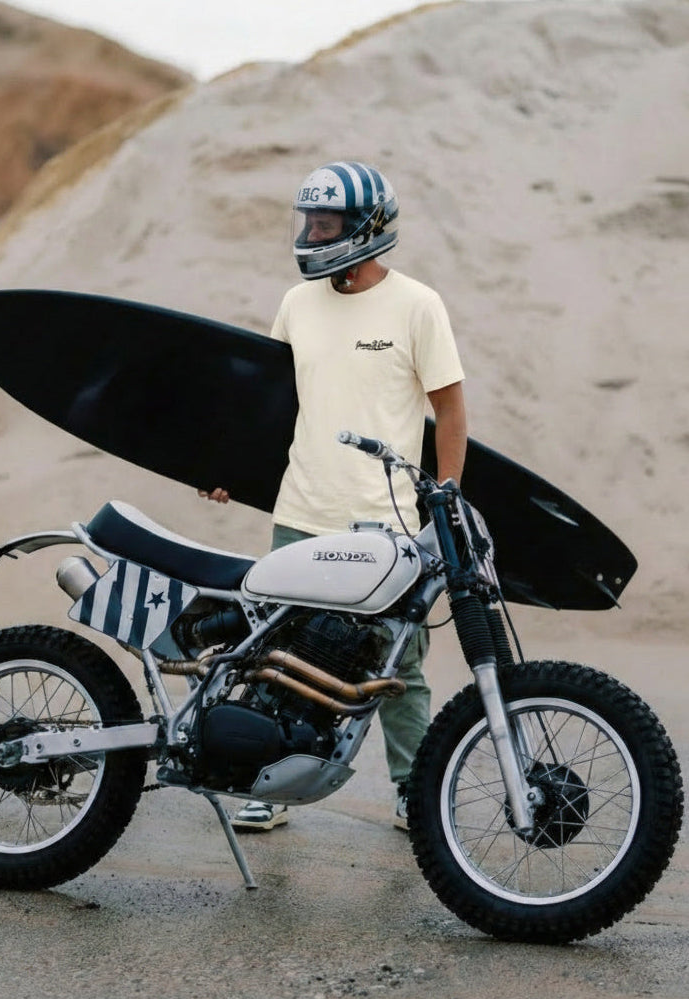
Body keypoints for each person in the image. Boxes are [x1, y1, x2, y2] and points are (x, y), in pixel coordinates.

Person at [200, 160, 467, 832]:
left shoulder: (417, 305)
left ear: (366, 227)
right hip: (300, 512)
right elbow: (273, 404)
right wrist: (236, 467)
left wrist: (448, 494)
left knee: (396, 662)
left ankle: (413, 788)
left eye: (326, 221)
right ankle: (268, 778)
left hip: (384, 522)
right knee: (277, 648)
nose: (313, 231)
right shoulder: (297, 303)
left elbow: (451, 409)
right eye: (309, 219)